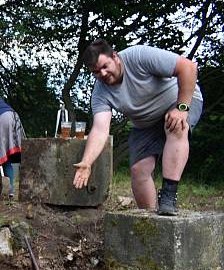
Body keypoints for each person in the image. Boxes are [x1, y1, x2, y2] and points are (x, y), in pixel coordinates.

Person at [73, 39, 203, 215]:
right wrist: (87, 163)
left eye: (105, 66)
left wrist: (181, 108)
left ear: (115, 57)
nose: (102, 73)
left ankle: (168, 196)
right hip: (145, 122)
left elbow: (188, 67)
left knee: (177, 126)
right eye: (96, 71)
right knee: (138, 170)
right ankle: (150, 221)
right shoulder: (100, 92)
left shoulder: (138, 56)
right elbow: (100, 129)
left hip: (179, 100)